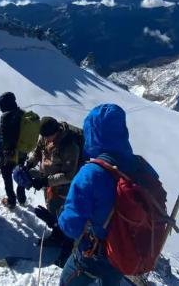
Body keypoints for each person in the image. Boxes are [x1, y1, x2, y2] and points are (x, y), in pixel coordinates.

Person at [58, 104, 137, 285]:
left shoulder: (91, 173)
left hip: (95, 254)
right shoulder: (140, 166)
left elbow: (71, 227)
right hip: (125, 252)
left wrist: (60, 213)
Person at [25, 116, 81, 246]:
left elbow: (69, 175)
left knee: (58, 210)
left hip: (62, 186)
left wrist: (46, 181)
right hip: (48, 180)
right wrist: (30, 163)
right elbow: (39, 152)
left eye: (47, 137)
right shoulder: (45, 136)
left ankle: (61, 236)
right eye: (43, 136)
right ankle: (57, 231)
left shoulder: (69, 146)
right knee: (51, 206)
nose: (45, 139)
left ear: (56, 132)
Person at [0, 92, 33, 208]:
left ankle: (11, 201)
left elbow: (5, 139)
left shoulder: (5, 116)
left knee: (6, 175)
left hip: (10, 153)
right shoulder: (23, 113)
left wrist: (2, 151)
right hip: (22, 151)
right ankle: (22, 198)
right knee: (20, 173)